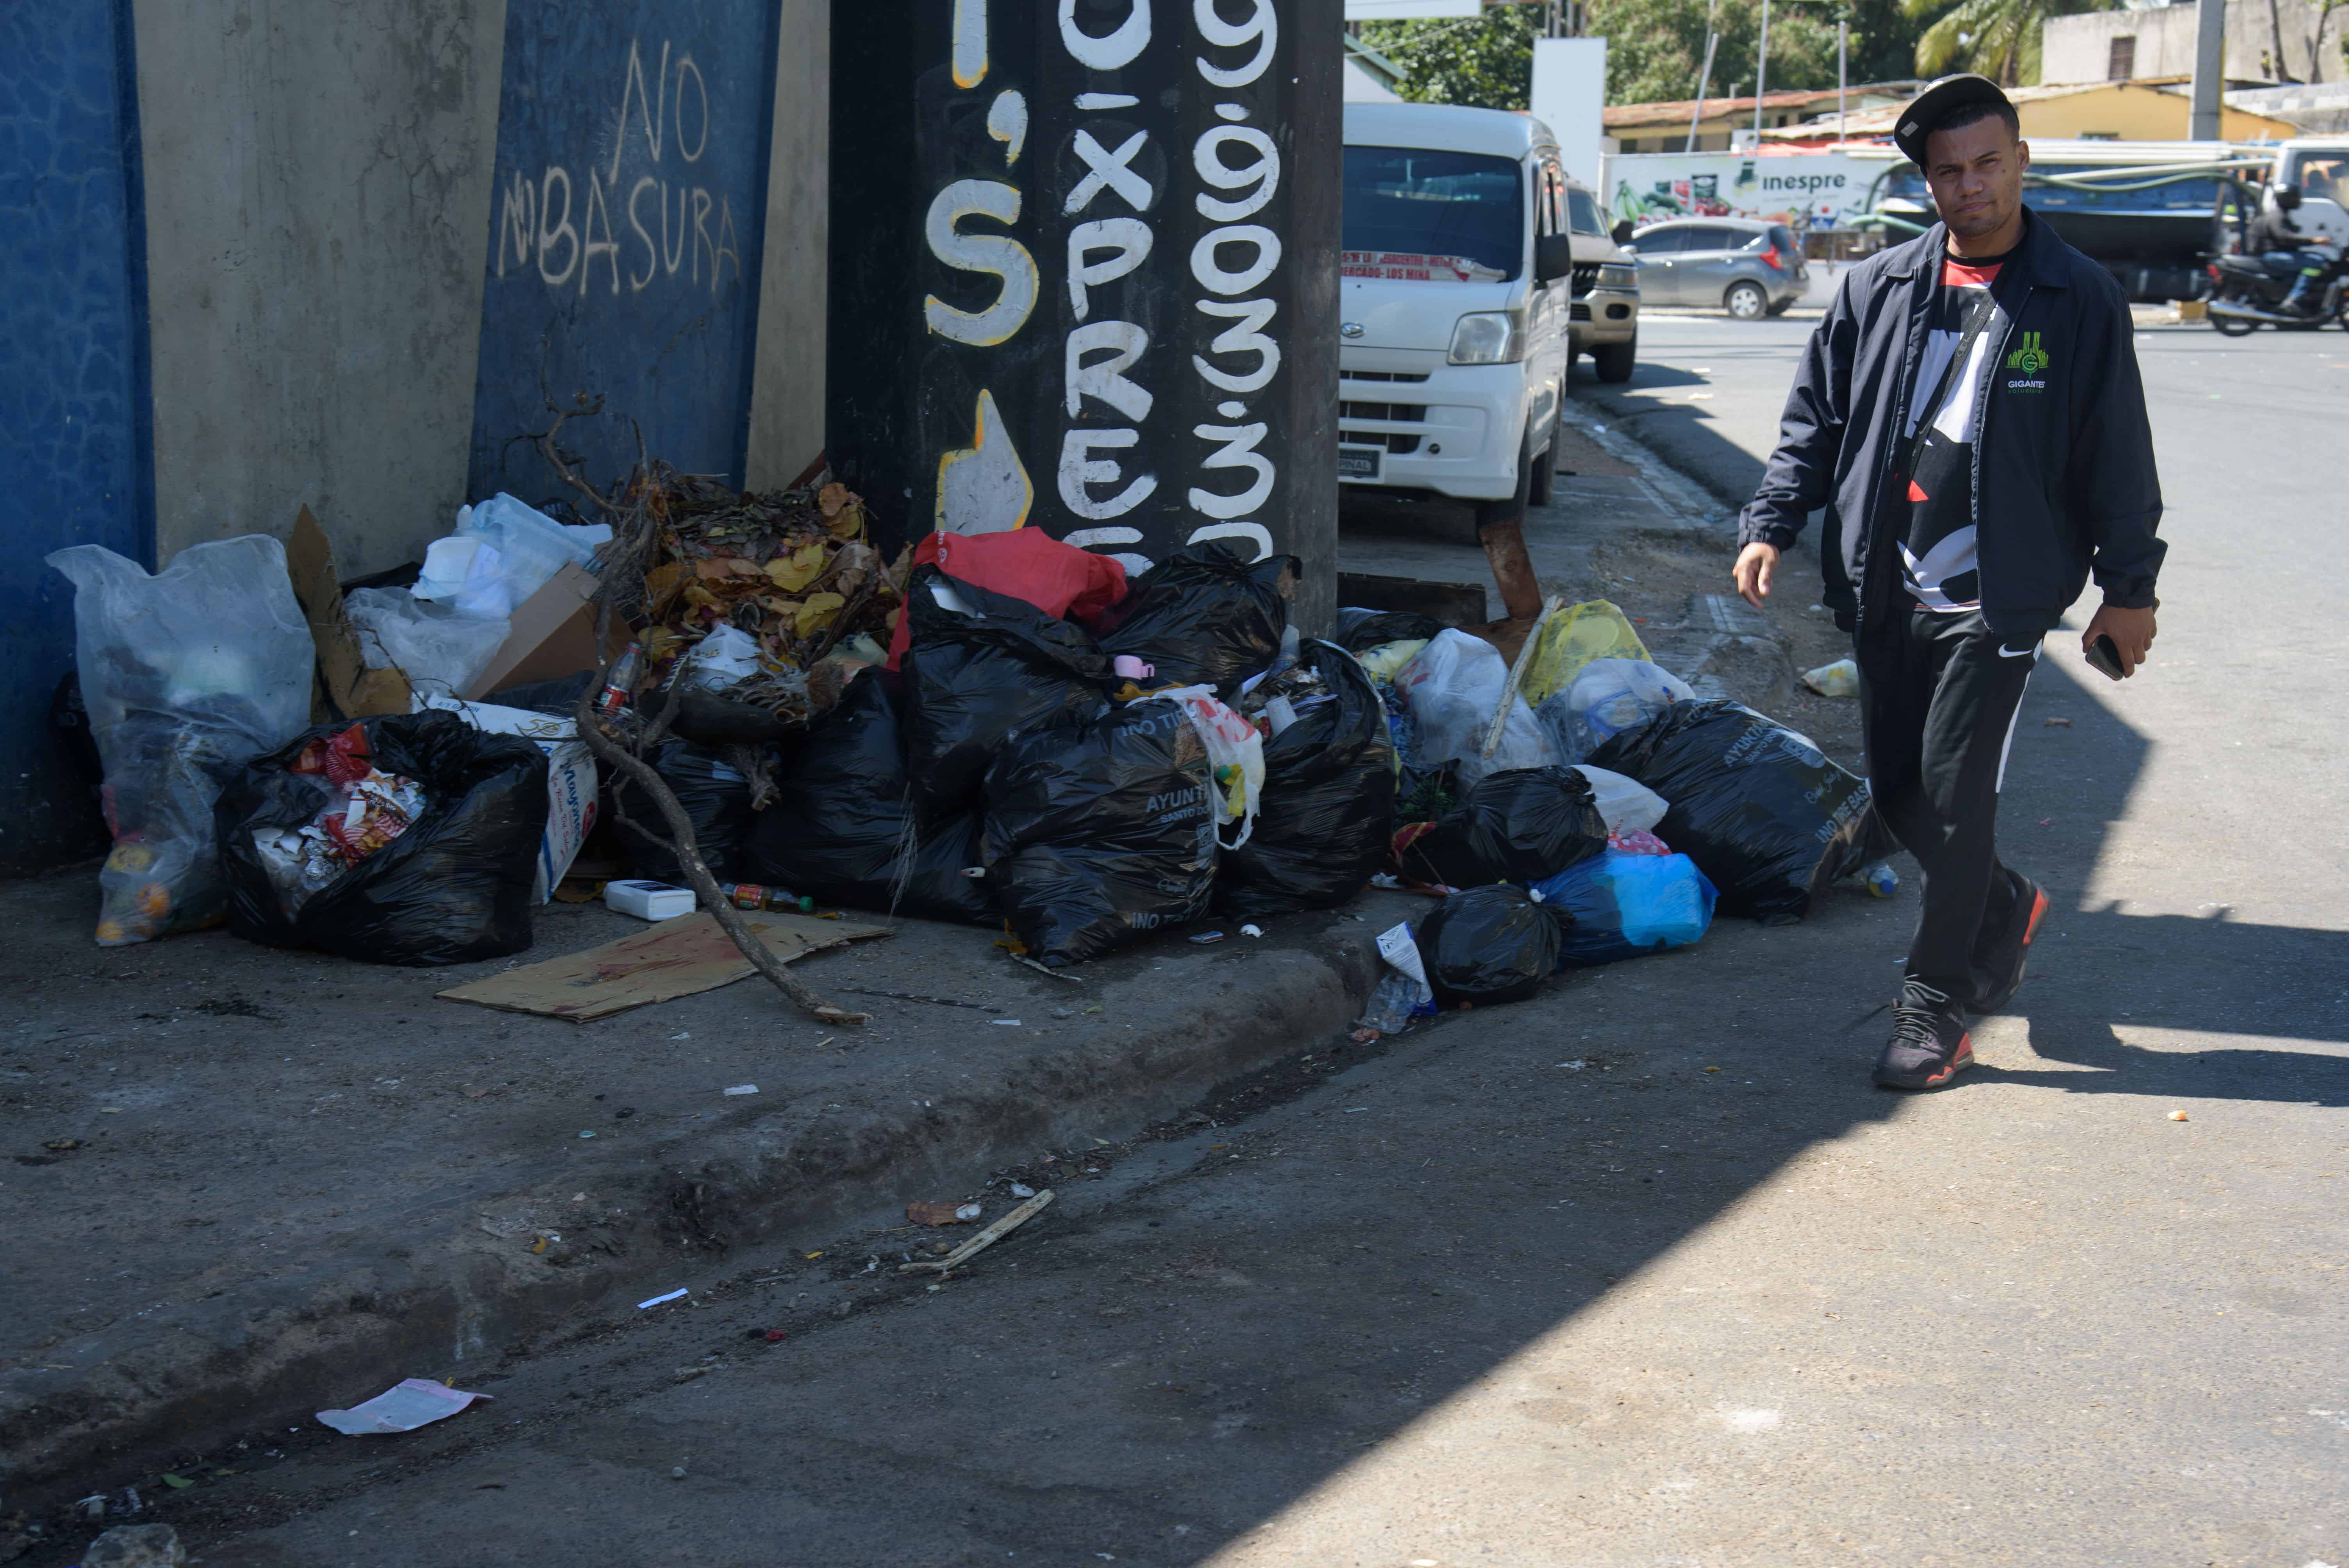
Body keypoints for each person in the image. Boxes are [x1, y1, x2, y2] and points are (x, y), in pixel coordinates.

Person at [1729, 75, 2165, 1090]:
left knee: (1959, 799)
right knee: (1895, 789)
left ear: (2020, 160)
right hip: (1885, 583)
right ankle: (2003, 903)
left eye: (1987, 163)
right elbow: (1815, 421)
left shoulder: (2078, 298)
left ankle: (1935, 1007)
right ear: (1927, 183)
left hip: (1998, 600)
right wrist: (1772, 524)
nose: (1970, 187)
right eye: (1948, 172)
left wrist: (2129, 588)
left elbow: (2119, 457)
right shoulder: (1879, 288)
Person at [2244, 183, 2328, 315]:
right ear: (2287, 199)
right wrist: (2314, 241)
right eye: (2295, 197)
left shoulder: (2279, 216)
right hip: (2272, 256)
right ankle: (2294, 299)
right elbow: (2284, 237)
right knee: (2316, 261)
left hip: (2274, 255)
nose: (2299, 200)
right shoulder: (2277, 217)